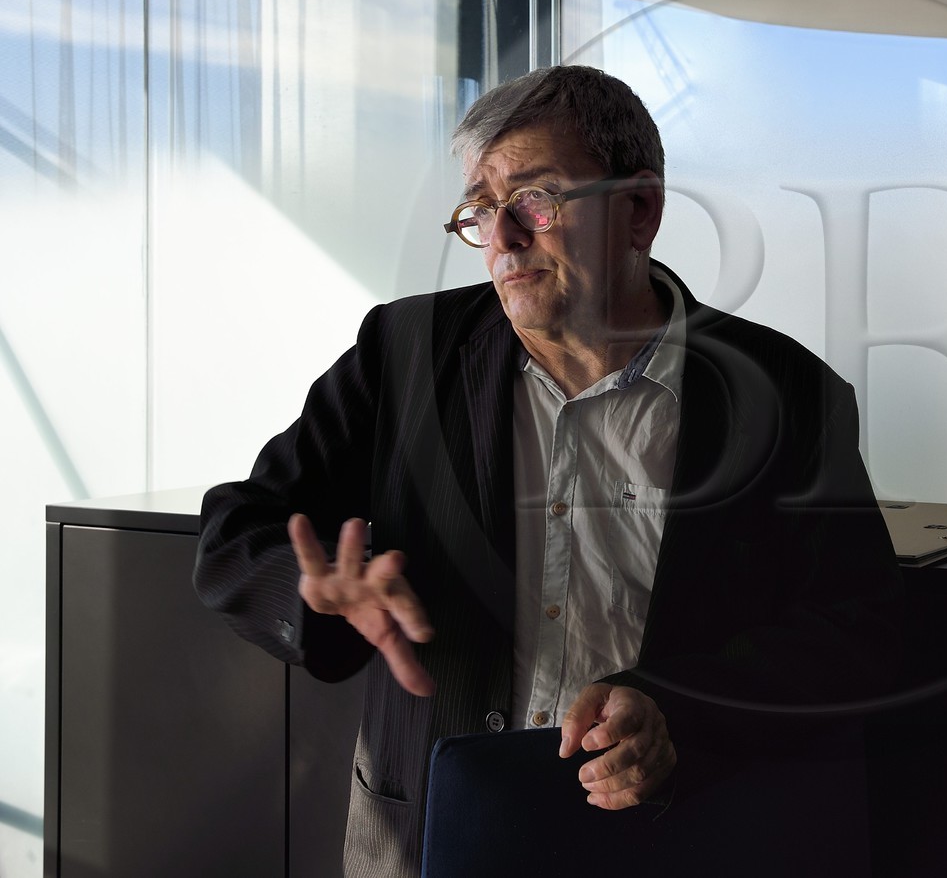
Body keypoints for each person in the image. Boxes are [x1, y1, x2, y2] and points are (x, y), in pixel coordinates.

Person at [193, 66, 903, 876]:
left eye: (535, 199)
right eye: (480, 209)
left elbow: (859, 631)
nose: (501, 239)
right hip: (429, 833)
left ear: (640, 209)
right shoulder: (402, 355)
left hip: (675, 837)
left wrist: (679, 712)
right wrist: (310, 587)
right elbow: (236, 531)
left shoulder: (784, 394)